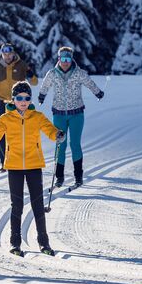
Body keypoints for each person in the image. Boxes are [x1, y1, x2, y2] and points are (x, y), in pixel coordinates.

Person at [0, 81, 65, 257]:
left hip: (34, 164)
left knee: (38, 204)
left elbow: (49, 130)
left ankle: (44, 242)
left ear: (30, 100)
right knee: (17, 205)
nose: (23, 101)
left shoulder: (37, 117)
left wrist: (57, 134)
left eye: (27, 98)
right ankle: (15, 243)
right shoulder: (6, 118)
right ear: (13, 99)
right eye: (20, 98)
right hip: (14, 166)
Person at [37, 46, 105, 188]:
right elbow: (45, 85)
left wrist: (97, 92)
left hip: (76, 114)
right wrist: (42, 96)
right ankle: (59, 177)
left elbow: (89, 83)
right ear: (59, 59)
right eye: (63, 59)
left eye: (68, 59)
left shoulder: (79, 73)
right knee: (60, 144)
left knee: (75, 144)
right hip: (59, 115)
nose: (65, 62)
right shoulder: (52, 73)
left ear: (72, 59)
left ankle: (78, 176)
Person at [0, 42, 38, 169]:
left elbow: (34, 82)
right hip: (2, 102)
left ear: (13, 53)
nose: (7, 56)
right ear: (2, 54)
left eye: (9, 54)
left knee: (19, 132)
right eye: (4, 54)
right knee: (2, 131)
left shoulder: (21, 64)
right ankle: (4, 162)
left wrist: (30, 75)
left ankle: (21, 160)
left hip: (19, 104)